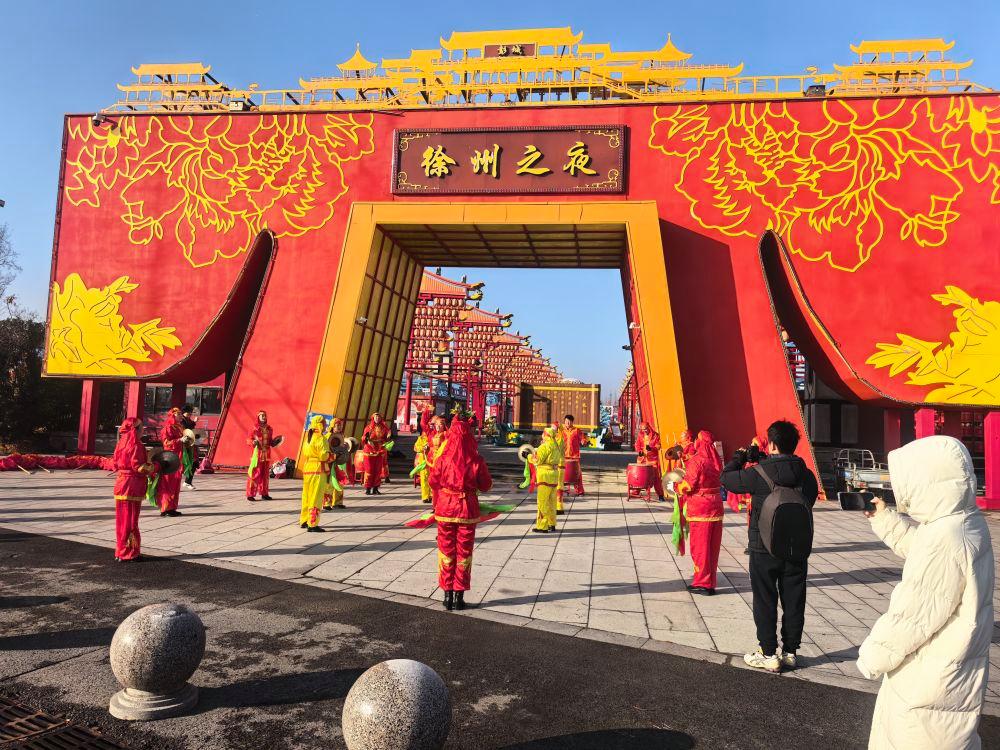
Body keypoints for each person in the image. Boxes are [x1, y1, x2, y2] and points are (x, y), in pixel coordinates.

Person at [857, 435, 994, 750]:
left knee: (917, 737)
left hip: (929, 672)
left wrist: (874, 655)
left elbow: (914, 614)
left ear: (926, 481)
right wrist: (884, 518)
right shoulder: (964, 521)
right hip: (953, 663)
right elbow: (924, 554)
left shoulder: (944, 537)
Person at [721, 419, 818, 672]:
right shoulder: (806, 475)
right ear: (794, 445)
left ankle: (768, 653)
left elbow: (727, 479)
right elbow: (808, 500)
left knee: (765, 599)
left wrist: (739, 457)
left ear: (772, 444)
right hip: (796, 546)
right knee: (794, 599)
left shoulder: (759, 473)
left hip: (763, 546)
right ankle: (790, 652)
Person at [428, 413, 493, 610]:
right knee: (464, 552)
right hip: (467, 510)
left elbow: (433, 482)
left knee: (446, 550)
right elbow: (486, 486)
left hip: (446, 508)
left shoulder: (442, 459)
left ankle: (447, 595)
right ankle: (459, 596)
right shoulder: (477, 460)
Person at [676, 430, 724, 595]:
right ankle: (710, 581)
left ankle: (703, 582)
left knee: (700, 547)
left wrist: (676, 486)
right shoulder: (716, 460)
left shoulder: (697, 461)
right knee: (712, 547)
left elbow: (688, 486)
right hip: (716, 506)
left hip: (701, 509)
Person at [112, 418, 154, 562]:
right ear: (135, 430)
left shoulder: (120, 444)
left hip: (121, 484)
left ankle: (120, 551)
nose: (143, 429)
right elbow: (139, 468)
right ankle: (129, 553)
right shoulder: (137, 445)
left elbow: (115, 464)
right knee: (130, 521)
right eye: (141, 427)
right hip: (132, 486)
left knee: (121, 522)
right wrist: (156, 467)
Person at [299, 415, 330, 532]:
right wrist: (333, 456)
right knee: (316, 497)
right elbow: (324, 456)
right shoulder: (321, 438)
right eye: (324, 423)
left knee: (306, 496)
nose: (326, 425)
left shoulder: (308, 437)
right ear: (320, 424)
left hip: (308, 469)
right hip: (318, 469)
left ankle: (304, 520)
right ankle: (312, 524)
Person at [530, 426, 563, 533]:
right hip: (554, 475)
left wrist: (528, 456)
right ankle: (551, 524)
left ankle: (542, 526)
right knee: (552, 502)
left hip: (544, 476)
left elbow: (537, 460)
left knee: (542, 502)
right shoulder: (556, 445)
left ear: (546, 435)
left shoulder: (545, 446)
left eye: (543, 433)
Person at [156, 407, 184, 517]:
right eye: (179, 414)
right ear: (173, 416)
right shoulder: (167, 428)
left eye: (181, 414)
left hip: (178, 457)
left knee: (175, 483)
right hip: (170, 459)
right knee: (168, 484)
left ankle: (172, 508)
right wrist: (179, 440)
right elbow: (166, 443)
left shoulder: (180, 427)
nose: (181, 416)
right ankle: (165, 508)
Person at [246, 410, 274, 502]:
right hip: (257, 455)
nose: (264, 417)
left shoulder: (269, 429)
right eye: (262, 416)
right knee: (254, 474)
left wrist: (274, 442)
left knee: (265, 475)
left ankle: (264, 494)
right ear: (258, 417)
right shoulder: (254, 428)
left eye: (265, 415)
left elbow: (270, 441)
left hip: (266, 454)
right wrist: (253, 442)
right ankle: (250, 494)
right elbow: (248, 440)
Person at [634, 422, 666, 502]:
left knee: (656, 477)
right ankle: (636, 492)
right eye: (642, 429)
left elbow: (658, 446)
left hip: (652, 459)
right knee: (639, 475)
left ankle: (660, 495)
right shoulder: (640, 435)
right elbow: (637, 445)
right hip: (642, 459)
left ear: (649, 427)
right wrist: (639, 451)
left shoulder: (655, 435)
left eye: (645, 429)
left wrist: (651, 448)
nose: (644, 431)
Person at [361, 412, 390, 495]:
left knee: (378, 470)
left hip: (379, 450)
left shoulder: (384, 428)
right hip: (369, 451)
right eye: (376, 417)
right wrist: (367, 440)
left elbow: (387, 437)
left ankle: (375, 488)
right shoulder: (368, 427)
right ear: (373, 418)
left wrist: (388, 438)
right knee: (369, 470)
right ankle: (368, 488)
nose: (377, 419)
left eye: (379, 417)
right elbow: (363, 437)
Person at [323, 417, 349, 510]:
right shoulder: (327, 436)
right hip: (330, 463)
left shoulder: (342, 436)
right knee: (329, 483)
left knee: (340, 482)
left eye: (340, 425)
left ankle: (338, 502)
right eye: (337, 425)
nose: (339, 427)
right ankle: (326, 503)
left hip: (340, 462)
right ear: (332, 426)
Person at [559, 414, 587, 498]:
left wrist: (583, 441)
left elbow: (583, 438)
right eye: (566, 421)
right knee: (562, 473)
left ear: (572, 422)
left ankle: (580, 491)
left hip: (574, 456)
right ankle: (561, 490)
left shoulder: (577, 430)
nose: (567, 423)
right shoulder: (561, 431)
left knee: (577, 474)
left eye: (569, 421)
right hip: (563, 456)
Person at [179, 403, 198, 490]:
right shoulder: (181, 420)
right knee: (183, 464)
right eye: (188, 413)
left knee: (194, 462)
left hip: (190, 443)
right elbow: (186, 429)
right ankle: (176, 484)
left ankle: (187, 481)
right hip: (183, 445)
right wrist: (194, 422)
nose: (190, 414)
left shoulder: (188, 420)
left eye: (191, 413)